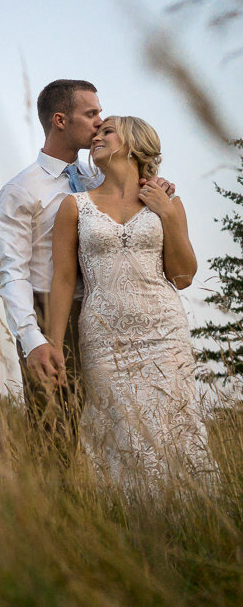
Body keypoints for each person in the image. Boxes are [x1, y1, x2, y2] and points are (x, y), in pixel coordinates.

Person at [0, 79, 171, 462]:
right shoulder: (21, 190)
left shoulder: (97, 181)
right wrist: (32, 338)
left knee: (113, 427)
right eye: (91, 114)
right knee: (56, 436)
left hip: (105, 313)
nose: (99, 121)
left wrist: (156, 186)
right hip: (48, 316)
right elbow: (11, 272)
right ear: (60, 120)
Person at [45, 116, 216, 488]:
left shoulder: (167, 201)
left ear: (135, 142)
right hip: (105, 340)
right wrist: (54, 344)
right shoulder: (74, 206)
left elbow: (183, 276)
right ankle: (127, 526)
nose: (97, 137)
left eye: (107, 131)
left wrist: (167, 212)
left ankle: (188, 517)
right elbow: (62, 279)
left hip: (164, 334)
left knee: (177, 426)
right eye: (97, 131)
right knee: (116, 432)